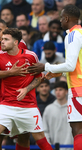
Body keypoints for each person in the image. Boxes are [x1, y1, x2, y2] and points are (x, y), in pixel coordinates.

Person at [0, 28, 53, 150]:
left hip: (28, 106)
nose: (2, 42)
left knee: (40, 140)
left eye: (6, 39)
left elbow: (38, 78)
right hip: (6, 105)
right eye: (2, 39)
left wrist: (26, 89)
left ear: (16, 42)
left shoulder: (31, 56)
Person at [27, 4, 82, 149]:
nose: (60, 21)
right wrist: (60, 72)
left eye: (61, 18)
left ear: (67, 18)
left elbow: (70, 65)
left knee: (78, 130)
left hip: (78, 89)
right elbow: (76, 65)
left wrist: (44, 66)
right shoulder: (80, 33)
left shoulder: (72, 35)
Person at [0, 19, 30, 150]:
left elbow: (25, 66)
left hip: (18, 95)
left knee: (24, 135)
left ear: (7, 29)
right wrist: (11, 72)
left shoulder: (20, 44)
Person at [43, 81, 73, 150]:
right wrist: (49, 147)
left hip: (71, 147)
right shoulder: (48, 109)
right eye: (56, 90)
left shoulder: (73, 109)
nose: (57, 92)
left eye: (60, 89)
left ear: (66, 91)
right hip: (53, 148)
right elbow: (45, 131)